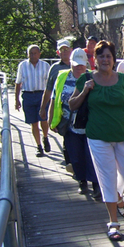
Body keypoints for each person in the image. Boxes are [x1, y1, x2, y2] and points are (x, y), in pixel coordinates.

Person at [69, 40, 124, 241]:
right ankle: (113, 223)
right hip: (98, 137)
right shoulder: (86, 79)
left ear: (114, 59)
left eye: (108, 56)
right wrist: (86, 90)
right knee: (107, 178)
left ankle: (120, 197)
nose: (105, 59)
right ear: (95, 59)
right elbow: (72, 105)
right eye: (101, 56)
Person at [48, 48, 101, 200]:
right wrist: (52, 120)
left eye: (81, 65)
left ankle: (96, 185)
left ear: (86, 64)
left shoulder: (93, 77)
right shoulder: (62, 77)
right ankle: (81, 181)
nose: (79, 67)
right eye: (76, 64)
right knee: (75, 156)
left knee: (91, 155)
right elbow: (55, 98)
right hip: (70, 124)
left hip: (91, 125)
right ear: (70, 63)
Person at [39, 39, 72, 166]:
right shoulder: (54, 68)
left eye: (66, 49)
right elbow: (48, 90)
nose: (64, 52)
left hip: (78, 106)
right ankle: (70, 162)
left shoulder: (78, 65)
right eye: (62, 50)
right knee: (66, 134)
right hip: (61, 107)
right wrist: (43, 109)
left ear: (70, 51)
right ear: (58, 52)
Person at [15, 45, 51, 157]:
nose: (33, 55)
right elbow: (18, 82)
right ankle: (39, 146)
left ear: (39, 54)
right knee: (33, 122)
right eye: (31, 53)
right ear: (27, 54)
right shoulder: (23, 65)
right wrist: (16, 99)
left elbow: (49, 83)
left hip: (42, 95)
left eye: (35, 53)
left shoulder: (45, 65)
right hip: (28, 95)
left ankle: (45, 137)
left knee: (43, 120)